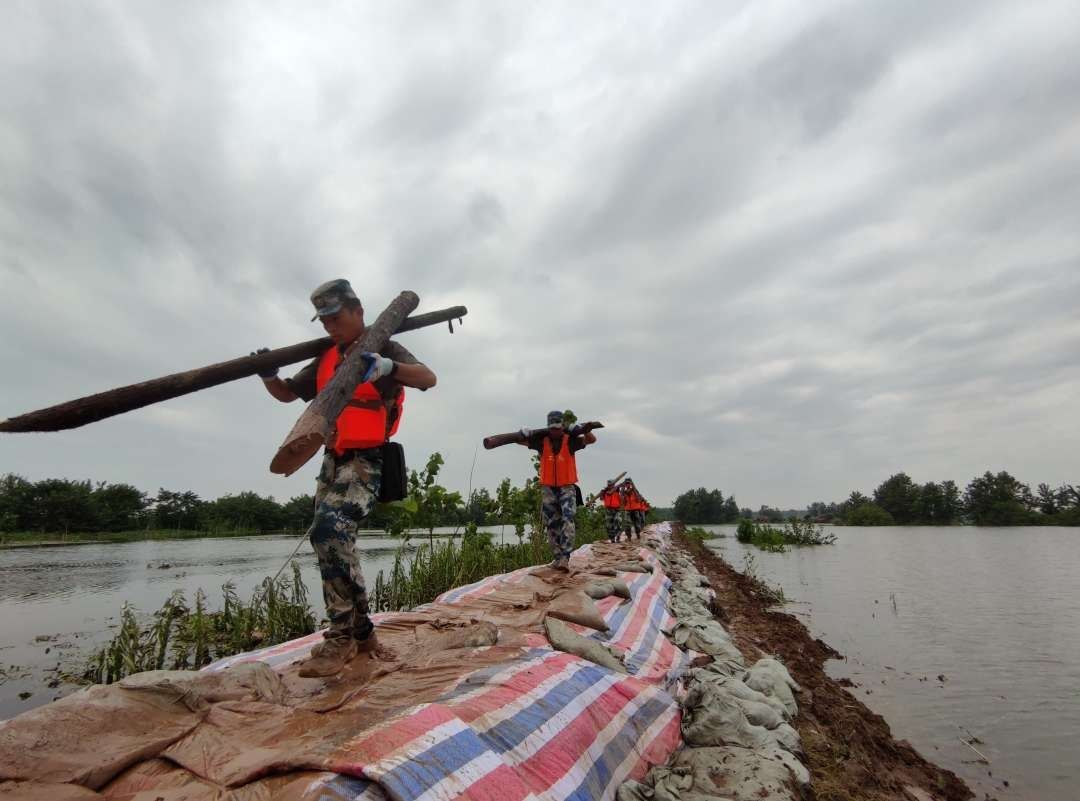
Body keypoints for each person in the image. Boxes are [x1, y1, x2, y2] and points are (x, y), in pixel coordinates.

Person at [254, 278, 436, 677]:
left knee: (328, 529)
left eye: (336, 317)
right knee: (331, 542)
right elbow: (288, 393)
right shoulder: (324, 357)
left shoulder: (383, 345)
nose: (330, 326)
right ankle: (363, 632)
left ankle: (340, 639)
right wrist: (268, 375)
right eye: (323, 321)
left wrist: (388, 367)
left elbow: (427, 378)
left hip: (368, 460)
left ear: (358, 311)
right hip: (332, 461)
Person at [518, 411, 598, 570]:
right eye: (553, 428)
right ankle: (557, 557)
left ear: (562, 427)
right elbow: (520, 441)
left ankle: (565, 557)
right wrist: (523, 433)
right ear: (548, 428)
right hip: (548, 489)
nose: (556, 431)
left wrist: (585, 429)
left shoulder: (571, 441)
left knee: (567, 519)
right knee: (551, 523)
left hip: (566, 487)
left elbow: (591, 440)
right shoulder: (542, 441)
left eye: (558, 428)